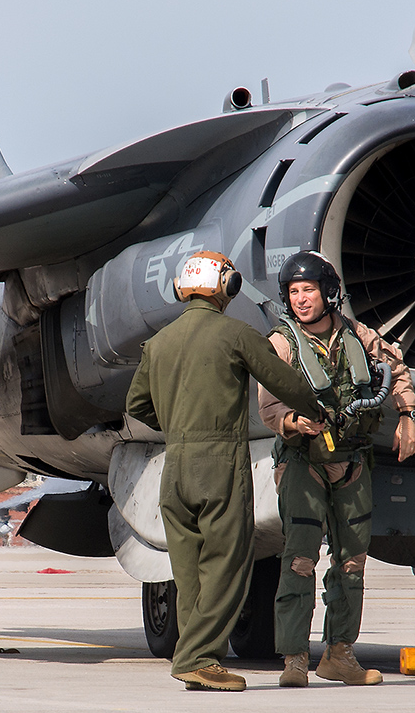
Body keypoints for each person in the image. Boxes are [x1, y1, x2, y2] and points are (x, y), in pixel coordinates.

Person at [126, 250, 322, 692]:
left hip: (174, 467)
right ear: (226, 286)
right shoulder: (236, 333)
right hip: (219, 465)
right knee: (231, 566)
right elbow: (282, 382)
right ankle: (196, 658)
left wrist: (176, 422)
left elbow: (136, 405)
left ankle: (199, 659)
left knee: (191, 569)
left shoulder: (158, 343)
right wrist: (320, 409)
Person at [258, 251, 415, 688]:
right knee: (299, 560)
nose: (301, 300)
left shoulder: (358, 335)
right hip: (303, 463)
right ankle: (294, 659)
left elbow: (396, 367)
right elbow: (269, 404)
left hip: (351, 461)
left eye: (308, 290)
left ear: (328, 293)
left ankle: (339, 654)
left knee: (352, 563)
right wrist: (293, 422)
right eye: (293, 292)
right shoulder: (282, 342)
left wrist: (407, 415)